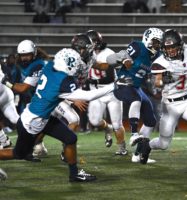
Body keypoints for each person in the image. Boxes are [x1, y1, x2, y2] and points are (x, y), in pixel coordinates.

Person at [0, 48, 114, 182]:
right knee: (18, 154)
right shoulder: (62, 81)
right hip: (31, 123)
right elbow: (89, 95)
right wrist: (114, 86)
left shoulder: (49, 66)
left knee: (70, 138)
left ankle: (74, 174)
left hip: (40, 117)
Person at [138, 29, 187, 175]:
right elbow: (156, 83)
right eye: (167, 48)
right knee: (163, 144)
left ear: (181, 45)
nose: (170, 50)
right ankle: (147, 145)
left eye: (173, 47)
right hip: (170, 105)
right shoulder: (160, 63)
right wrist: (165, 79)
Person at [106, 27, 163, 163]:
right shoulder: (137, 47)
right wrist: (123, 59)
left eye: (159, 43)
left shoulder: (157, 55)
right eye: (155, 42)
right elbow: (110, 59)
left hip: (136, 87)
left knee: (150, 121)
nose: (157, 45)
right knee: (136, 100)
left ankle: (137, 154)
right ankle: (133, 134)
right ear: (147, 39)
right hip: (122, 84)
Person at [86, 30, 128, 155]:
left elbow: (109, 76)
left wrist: (92, 80)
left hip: (111, 91)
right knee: (94, 121)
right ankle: (107, 128)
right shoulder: (85, 53)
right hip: (95, 92)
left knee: (117, 123)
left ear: (96, 43)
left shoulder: (109, 54)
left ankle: (121, 147)